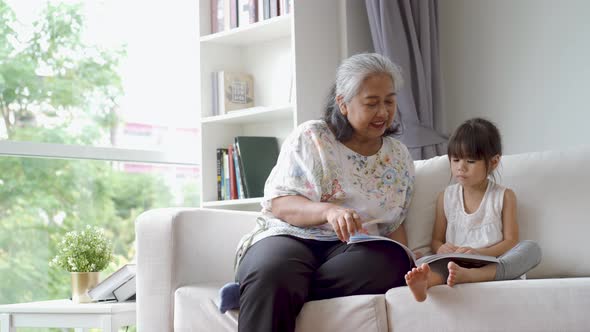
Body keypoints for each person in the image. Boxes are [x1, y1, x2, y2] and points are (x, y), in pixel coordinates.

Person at [232, 53, 415, 331]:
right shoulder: (312, 137)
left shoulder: (399, 156)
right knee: (273, 270)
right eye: (371, 103)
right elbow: (280, 203)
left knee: (395, 262)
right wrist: (328, 211)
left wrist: (413, 263)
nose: (383, 112)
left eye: (389, 101)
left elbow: (394, 224)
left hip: (353, 250)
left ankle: (269, 291)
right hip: (291, 236)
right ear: (343, 103)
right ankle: (268, 285)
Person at [405, 117, 542, 302]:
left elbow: (511, 241)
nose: (461, 167)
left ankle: (473, 276)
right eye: (455, 159)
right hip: (454, 265)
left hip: (492, 263)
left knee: (532, 249)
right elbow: (436, 240)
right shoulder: (445, 197)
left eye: (470, 161)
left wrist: (479, 254)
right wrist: (441, 247)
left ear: (493, 162)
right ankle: (426, 282)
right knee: (430, 262)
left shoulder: (505, 196)